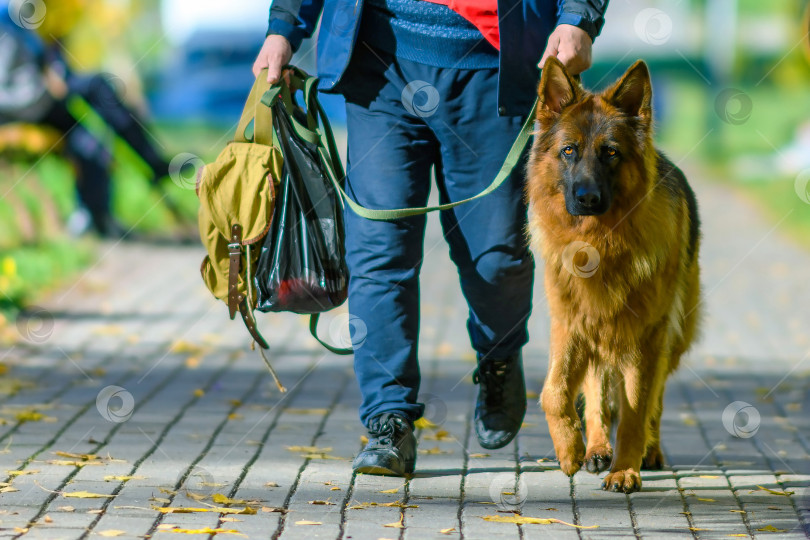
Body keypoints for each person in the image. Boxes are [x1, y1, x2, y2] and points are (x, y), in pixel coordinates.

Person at [254, 0, 608, 476]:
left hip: (494, 66)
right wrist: (283, 29)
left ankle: (499, 357)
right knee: (378, 251)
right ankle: (388, 420)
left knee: (497, 256)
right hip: (381, 62)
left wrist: (577, 18)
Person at [0, 3, 170, 237]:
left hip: (40, 100)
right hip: (25, 104)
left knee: (90, 142)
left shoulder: (23, 14)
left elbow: (42, 58)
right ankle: (154, 163)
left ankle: (97, 217)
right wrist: (44, 87)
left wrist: (52, 72)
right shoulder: (7, 17)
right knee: (99, 86)